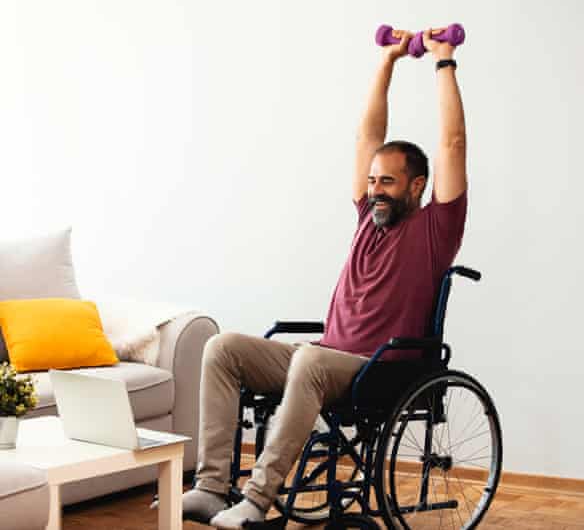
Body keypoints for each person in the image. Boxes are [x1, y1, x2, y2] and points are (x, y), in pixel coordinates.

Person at [183, 28, 468, 529]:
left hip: (379, 368)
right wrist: (387, 62)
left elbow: (452, 142)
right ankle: (209, 489)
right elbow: (367, 137)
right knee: (222, 347)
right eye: (373, 180)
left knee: (310, 360)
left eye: (388, 182)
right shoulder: (367, 217)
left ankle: (256, 500)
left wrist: (444, 63)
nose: (375, 190)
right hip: (323, 358)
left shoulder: (435, 229)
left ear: (417, 186)